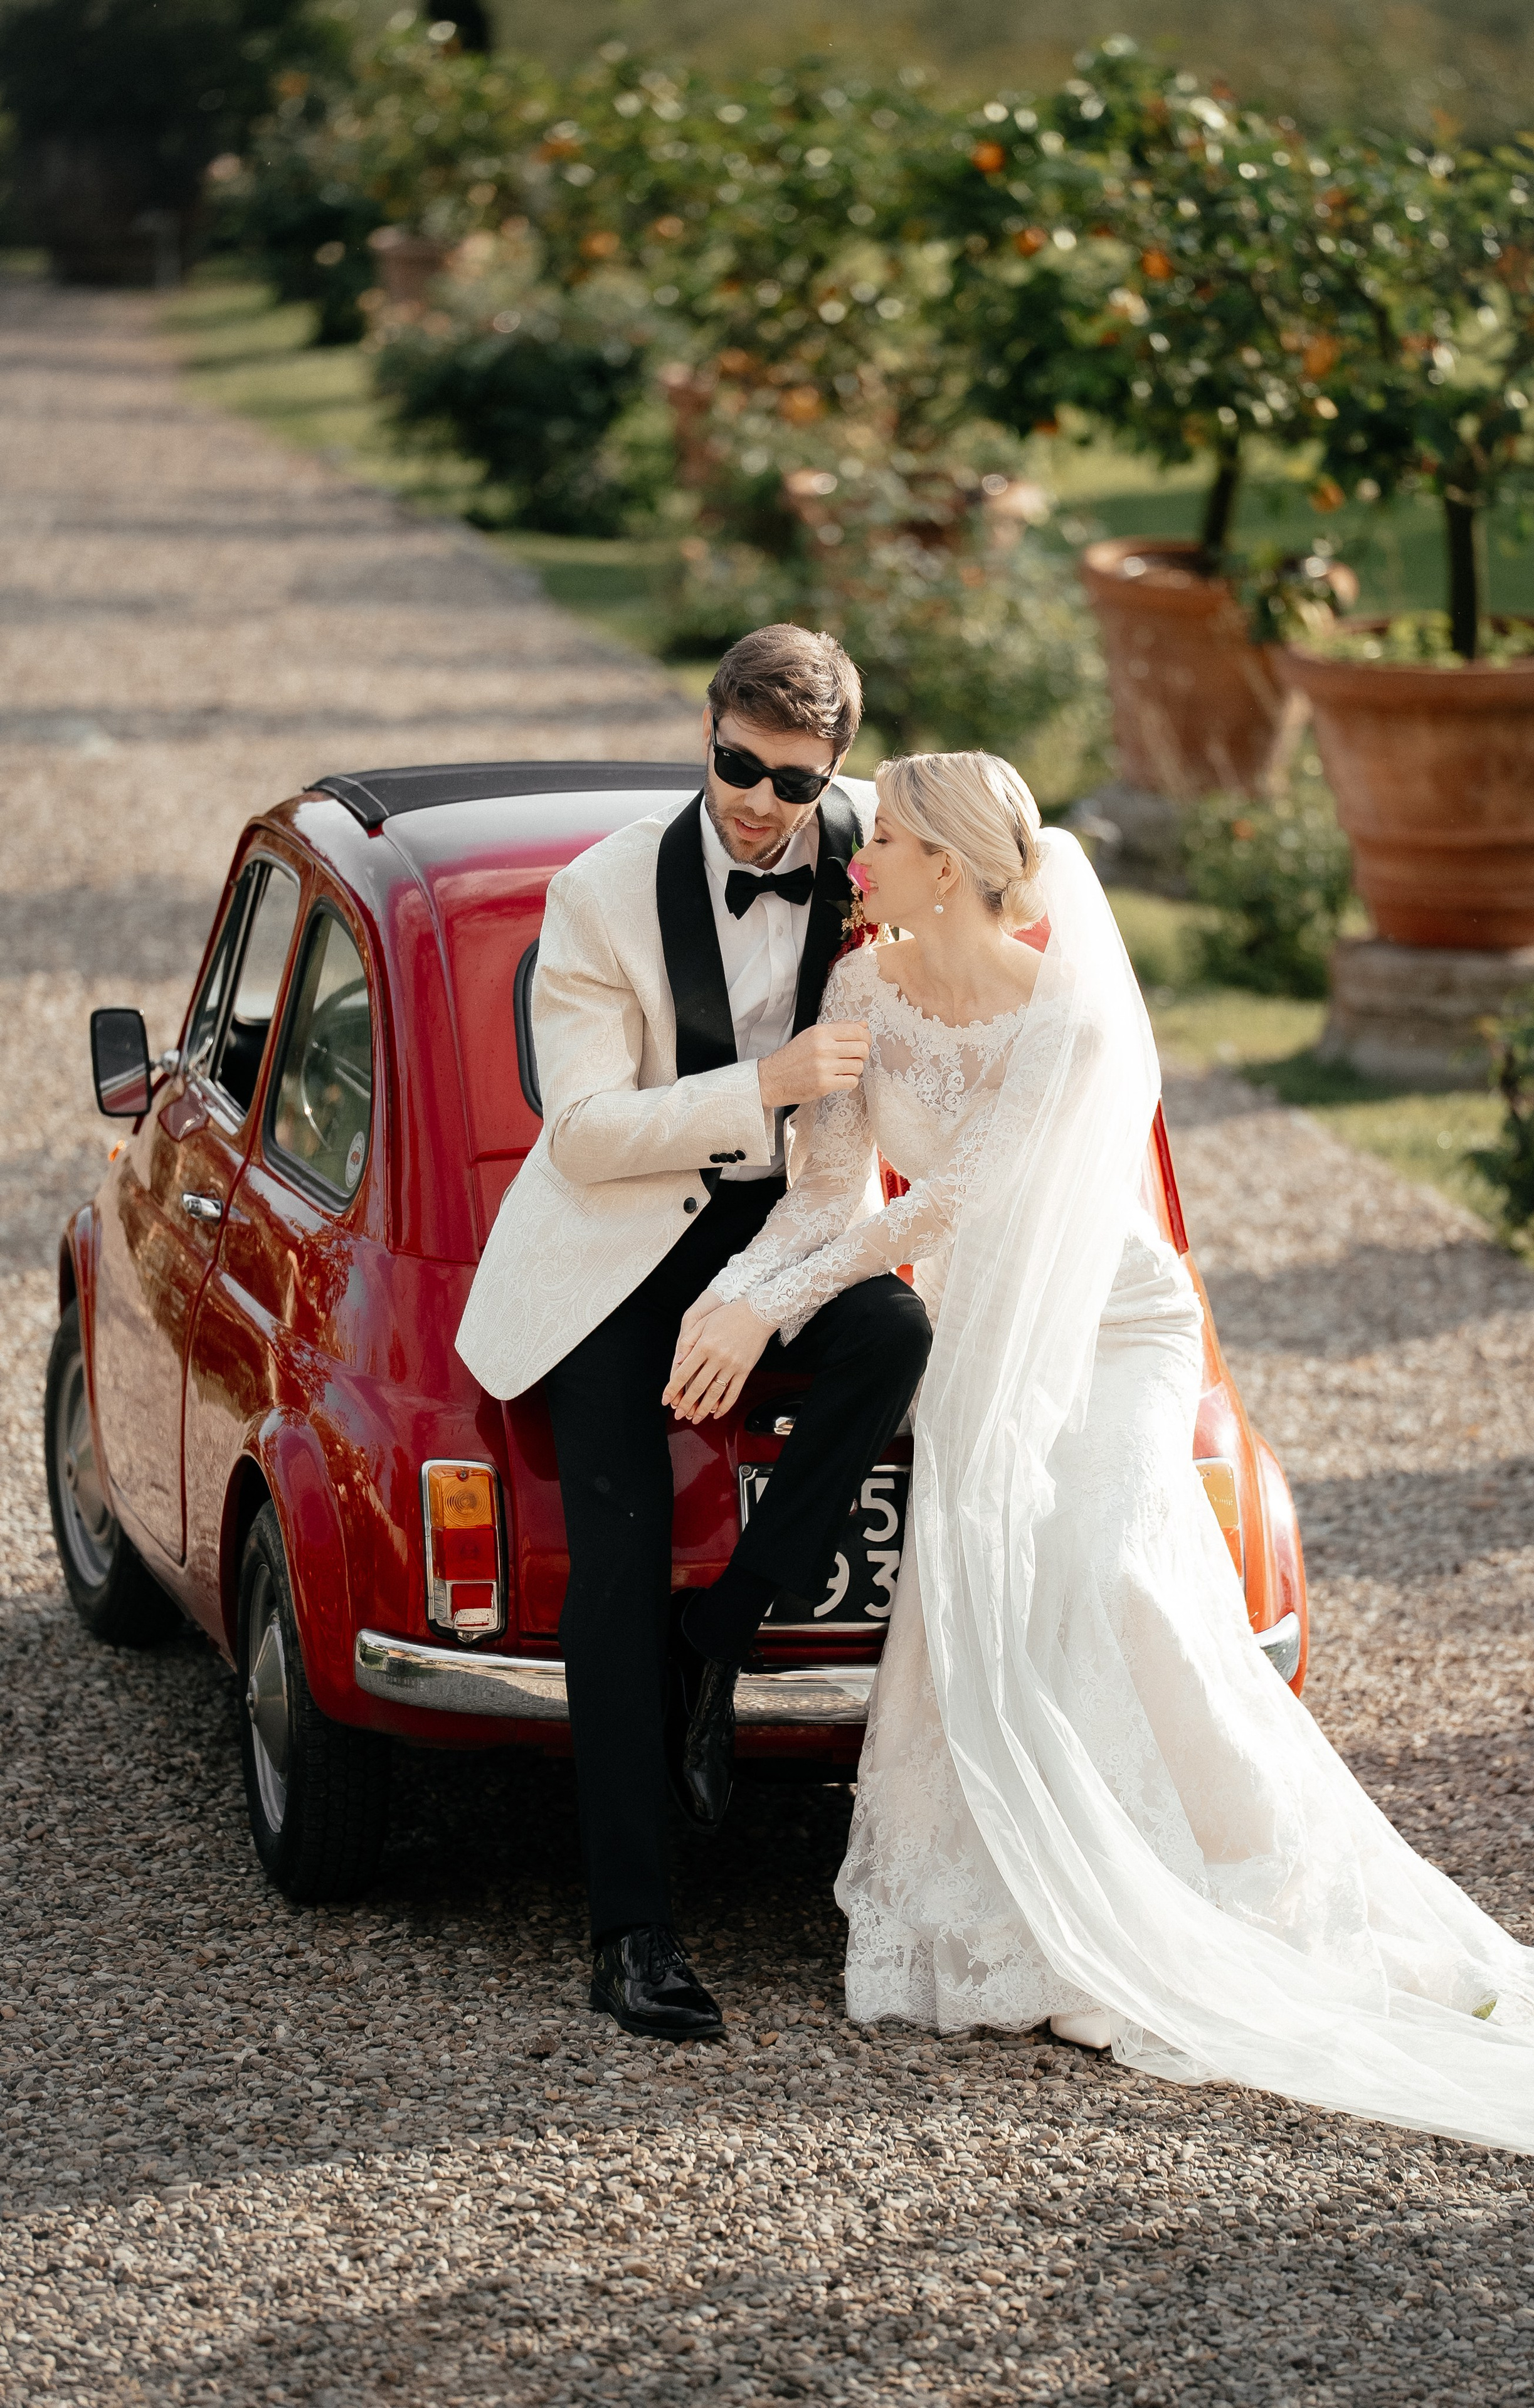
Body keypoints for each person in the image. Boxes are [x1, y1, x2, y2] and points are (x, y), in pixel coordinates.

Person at [665, 747, 1534, 2167]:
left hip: (1114, 1325)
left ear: (948, 868)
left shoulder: (1073, 1015)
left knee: (1110, 1565)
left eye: (887, 838)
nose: (860, 859)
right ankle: (1029, 1914)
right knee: (996, 1582)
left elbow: (947, 1203)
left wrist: (778, 1301)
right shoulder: (858, 990)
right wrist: (736, 1296)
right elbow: (829, 1194)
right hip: (984, 1327)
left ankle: (1240, 1884)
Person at [454, 626, 932, 2044]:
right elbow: (584, 1131)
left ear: (832, 774)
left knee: (892, 1335)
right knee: (616, 1553)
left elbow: (1006, 869)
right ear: (707, 732)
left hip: (785, 1229)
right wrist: (765, 1083)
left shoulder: (869, 851)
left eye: (794, 783)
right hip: (617, 1244)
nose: (759, 804)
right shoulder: (599, 892)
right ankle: (633, 1935)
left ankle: (720, 1635)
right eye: (737, 766)